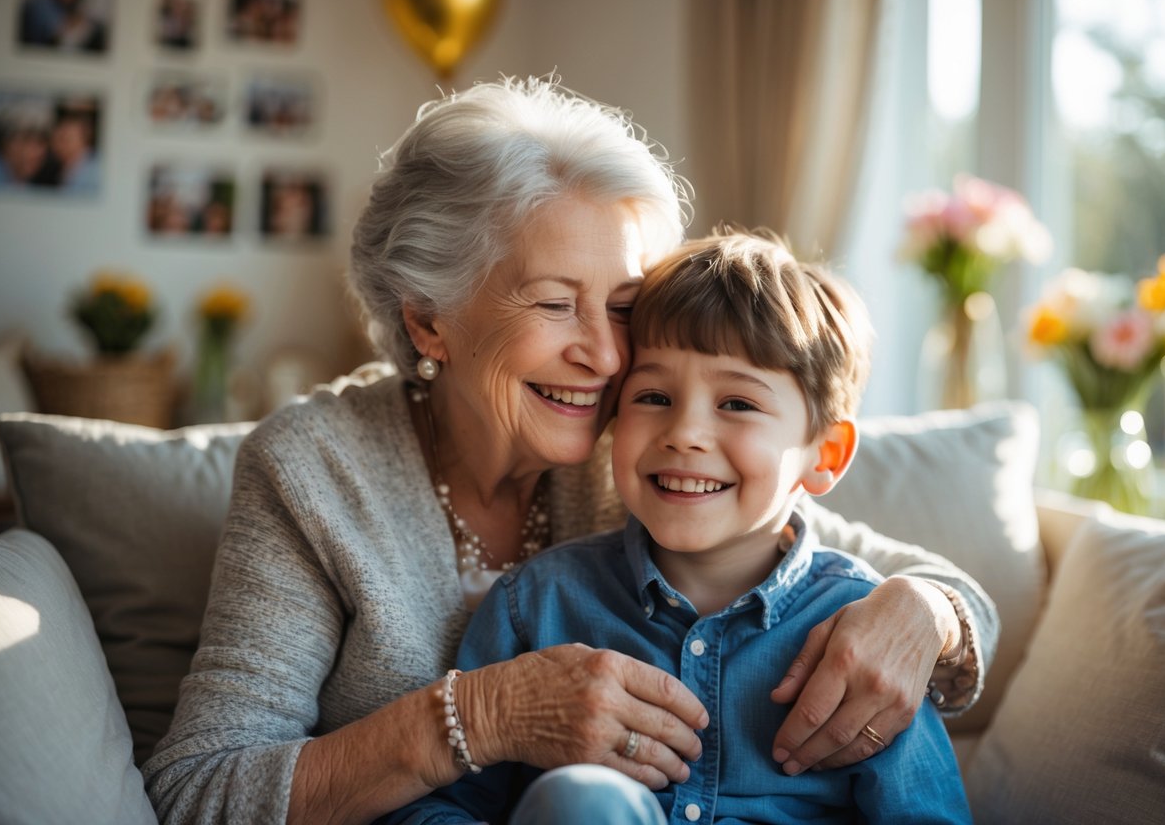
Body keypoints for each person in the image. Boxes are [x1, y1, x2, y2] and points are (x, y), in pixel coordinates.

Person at [142, 76, 996, 825]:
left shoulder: (649, 443)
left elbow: (846, 575)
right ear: (427, 319)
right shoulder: (316, 473)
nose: (609, 355)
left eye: (623, 306)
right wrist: (483, 717)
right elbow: (196, 792)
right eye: (555, 305)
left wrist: (929, 612)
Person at [382, 231, 972, 824]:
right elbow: (440, 808)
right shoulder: (536, 604)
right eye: (654, 396)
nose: (684, 432)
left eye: (737, 404)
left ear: (825, 455)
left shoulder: (864, 641)